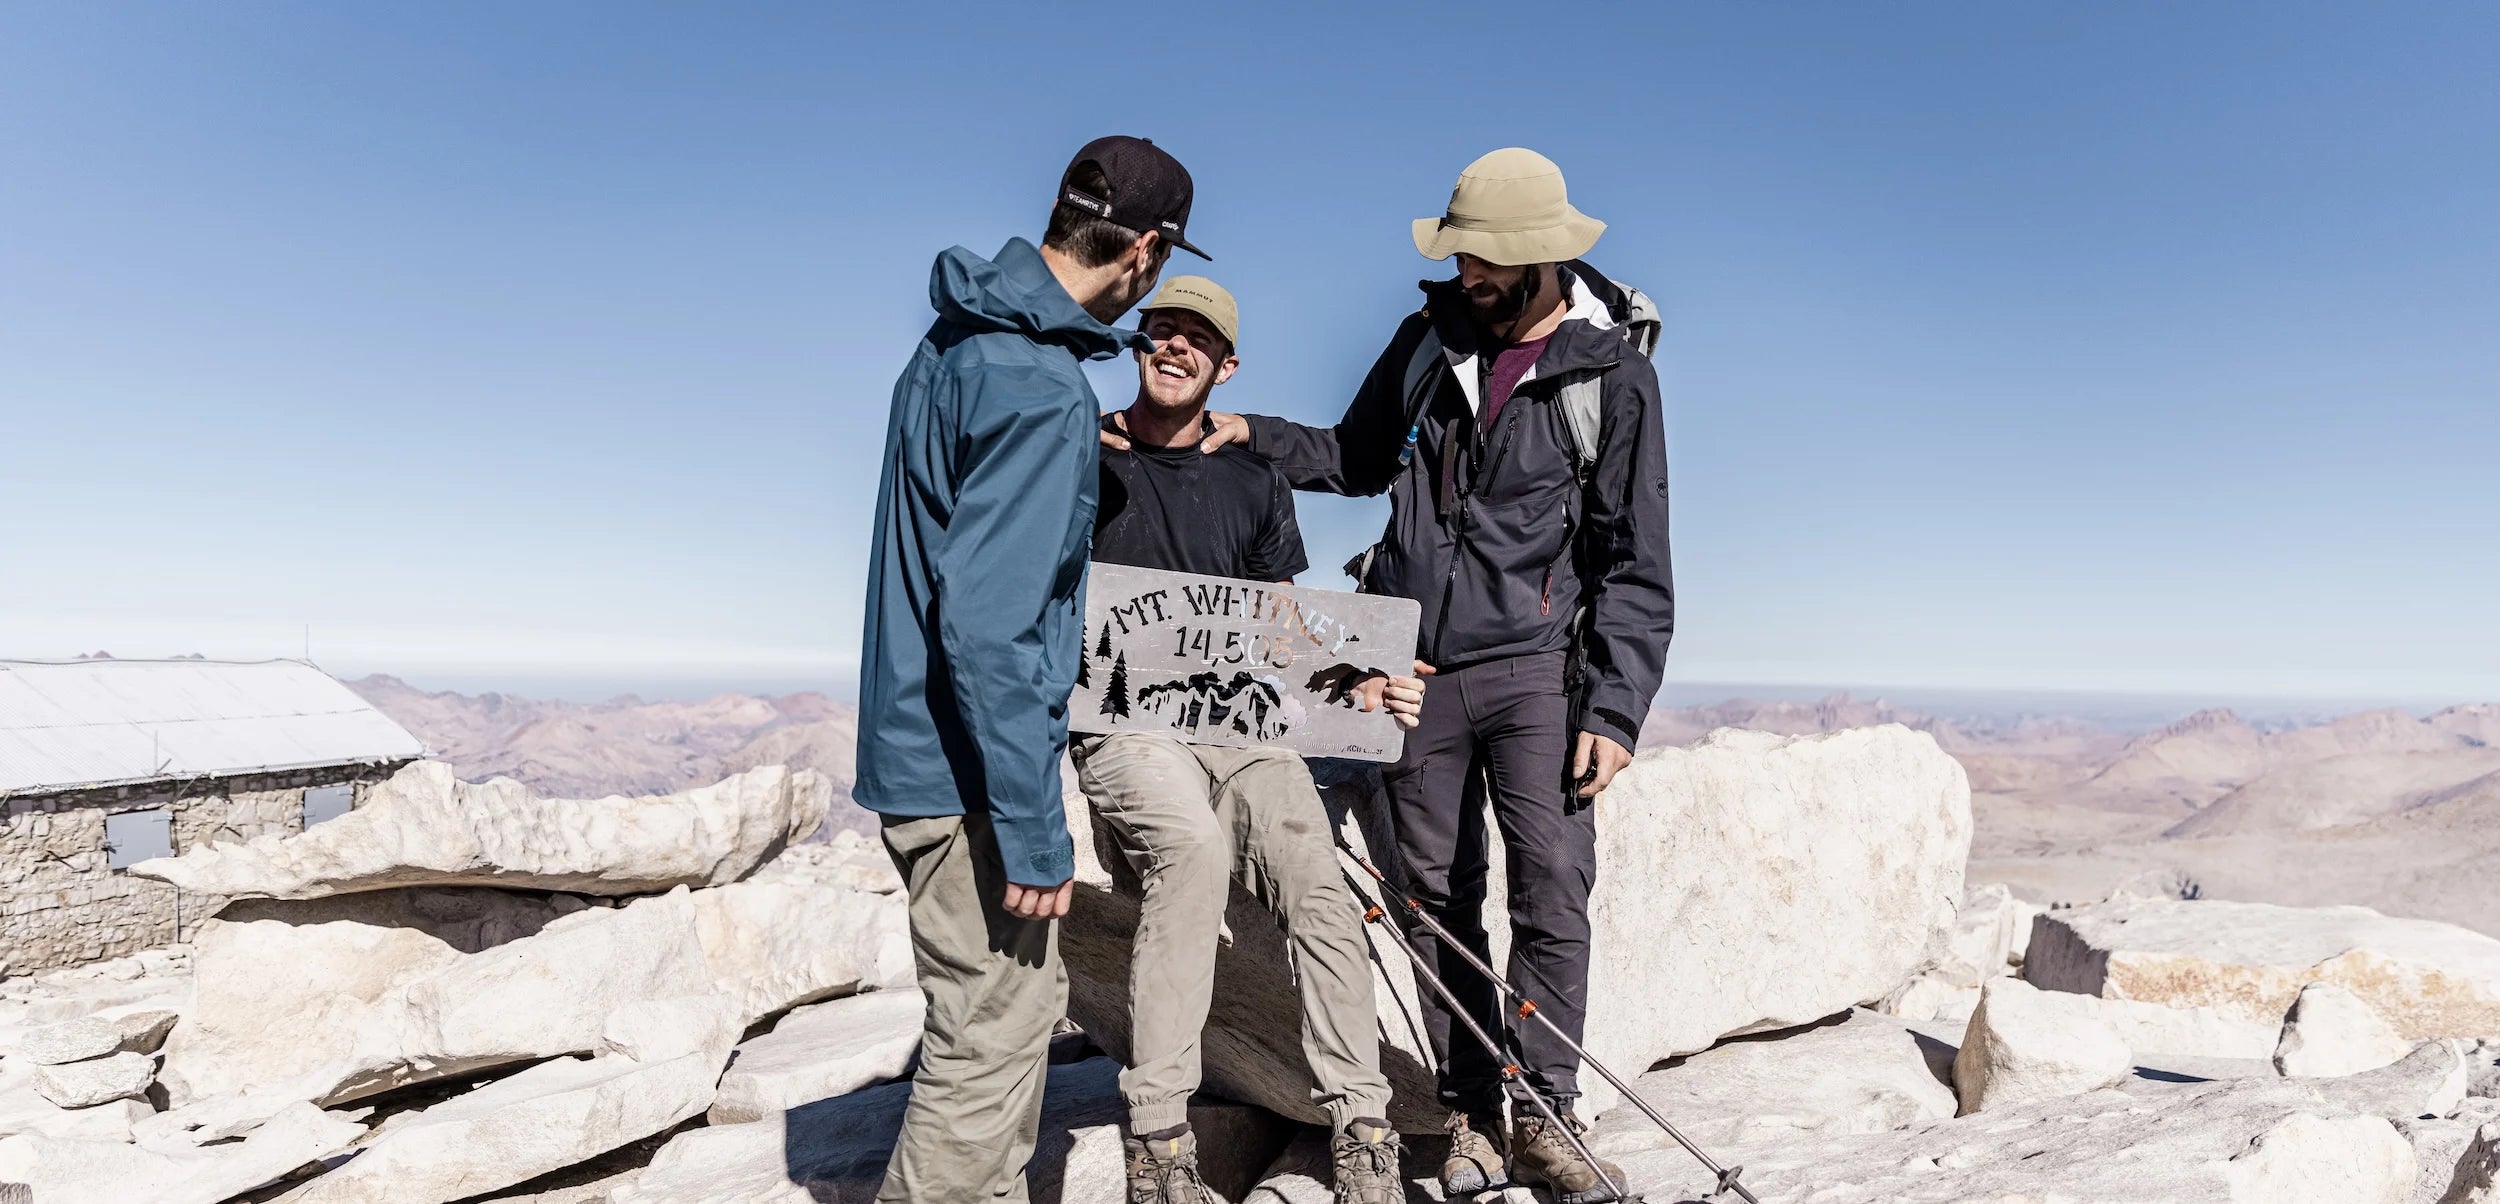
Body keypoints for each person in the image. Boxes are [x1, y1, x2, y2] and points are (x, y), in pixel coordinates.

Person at [1111, 148, 1674, 1202]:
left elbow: (1636, 557)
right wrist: (1251, 436)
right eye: (1460, 252)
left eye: (1487, 259)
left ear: (1544, 257)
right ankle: (1469, 1114)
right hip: (1411, 663)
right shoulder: (1428, 341)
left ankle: (1546, 1113)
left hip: (1541, 671)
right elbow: (1360, 455)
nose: (1467, 272)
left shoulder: (1609, 377)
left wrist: (1617, 705)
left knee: (1551, 885)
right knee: (1432, 898)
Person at [854, 135, 1205, 1203]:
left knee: (983, 1018)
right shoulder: (1040, 387)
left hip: (915, 745)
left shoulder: (956, 343)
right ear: (1143, 251)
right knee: (992, 1029)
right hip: (967, 777)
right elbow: (993, 628)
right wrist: (1035, 826)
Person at [1082, 275, 1424, 1204]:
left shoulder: (1253, 477)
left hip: (1239, 727)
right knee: (1190, 853)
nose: (1173, 348)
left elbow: (1280, 631)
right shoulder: (1084, 455)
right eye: (1160, 331)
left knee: (1316, 877)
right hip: (1124, 727)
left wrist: (1364, 682)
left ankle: (1362, 1128)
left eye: (1196, 339)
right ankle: (1159, 1143)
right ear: (1139, 344)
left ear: (1224, 366)